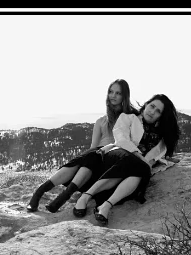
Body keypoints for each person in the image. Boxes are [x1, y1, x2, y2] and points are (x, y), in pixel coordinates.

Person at [26, 78, 138, 213]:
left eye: (118, 93)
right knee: (91, 155)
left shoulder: (131, 117)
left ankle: (62, 195)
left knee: (92, 156)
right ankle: (40, 192)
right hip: (96, 160)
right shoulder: (101, 121)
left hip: (115, 161)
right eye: (111, 92)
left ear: (124, 96)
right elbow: (93, 146)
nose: (113, 95)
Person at [73, 93, 180, 226]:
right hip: (116, 157)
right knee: (136, 165)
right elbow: (121, 138)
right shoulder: (128, 118)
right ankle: (85, 196)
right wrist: (140, 157)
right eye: (152, 106)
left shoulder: (161, 139)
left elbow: (155, 156)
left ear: (161, 117)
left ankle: (105, 206)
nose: (152, 112)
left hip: (134, 169)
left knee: (139, 171)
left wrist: (162, 160)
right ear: (146, 104)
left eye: (158, 111)